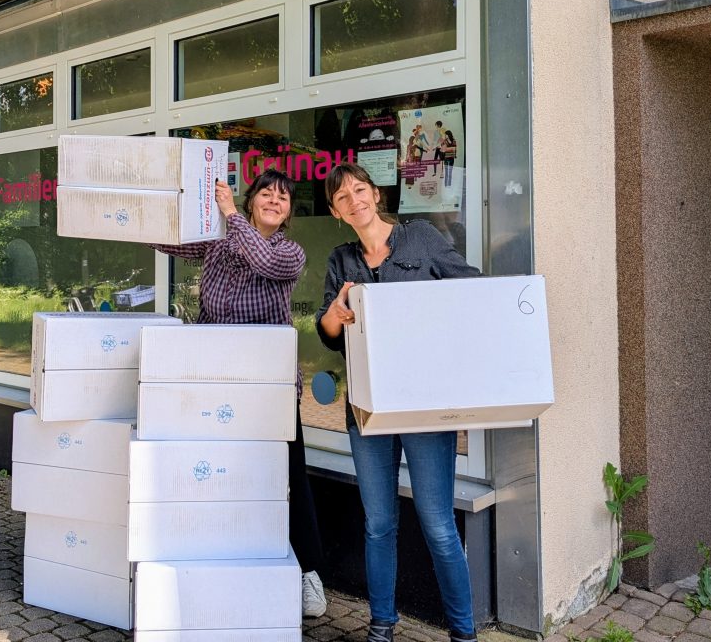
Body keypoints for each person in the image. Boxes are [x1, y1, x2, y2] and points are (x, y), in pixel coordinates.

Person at [315, 162, 479, 642]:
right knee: (379, 524)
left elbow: (469, 289)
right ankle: (382, 626)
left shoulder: (421, 238)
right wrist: (332, 316)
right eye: (342, 197)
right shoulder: (340, 260)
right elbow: (329, 337)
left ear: (376, 193)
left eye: (359, 190)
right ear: (336, 212)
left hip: (423, 406)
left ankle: (463, 632)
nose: (354, 200)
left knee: (438, 524)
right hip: (365, 411)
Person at [152, 169, 328, 617]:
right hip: (214, 378)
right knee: (222, 470)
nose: (274, 199)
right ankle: (222, 557)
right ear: (253, 201)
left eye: (283, 197)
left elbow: (261, 262)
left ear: (288, 213)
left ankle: (308, 572)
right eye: (266, 192)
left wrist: (230, 213)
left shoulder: (289, 252)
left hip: (267, 384)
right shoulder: (217, 242)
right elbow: (170, 240)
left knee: (288, 474)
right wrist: (133, 215)